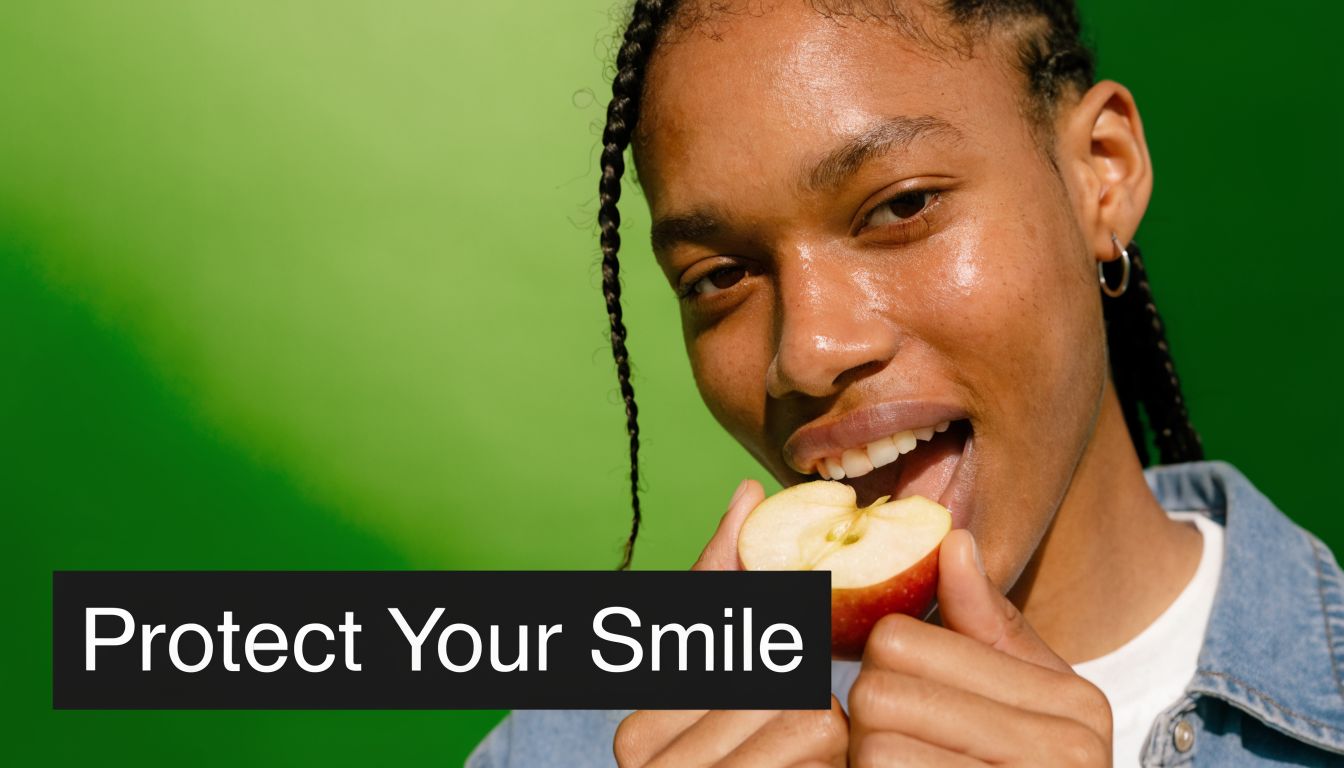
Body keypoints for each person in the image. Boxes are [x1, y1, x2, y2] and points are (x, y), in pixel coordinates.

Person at [470, 1, 1344, 765]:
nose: (807, 352)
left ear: (1100, 173)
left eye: (900, 206)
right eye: (720, 275)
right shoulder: (576, 746)